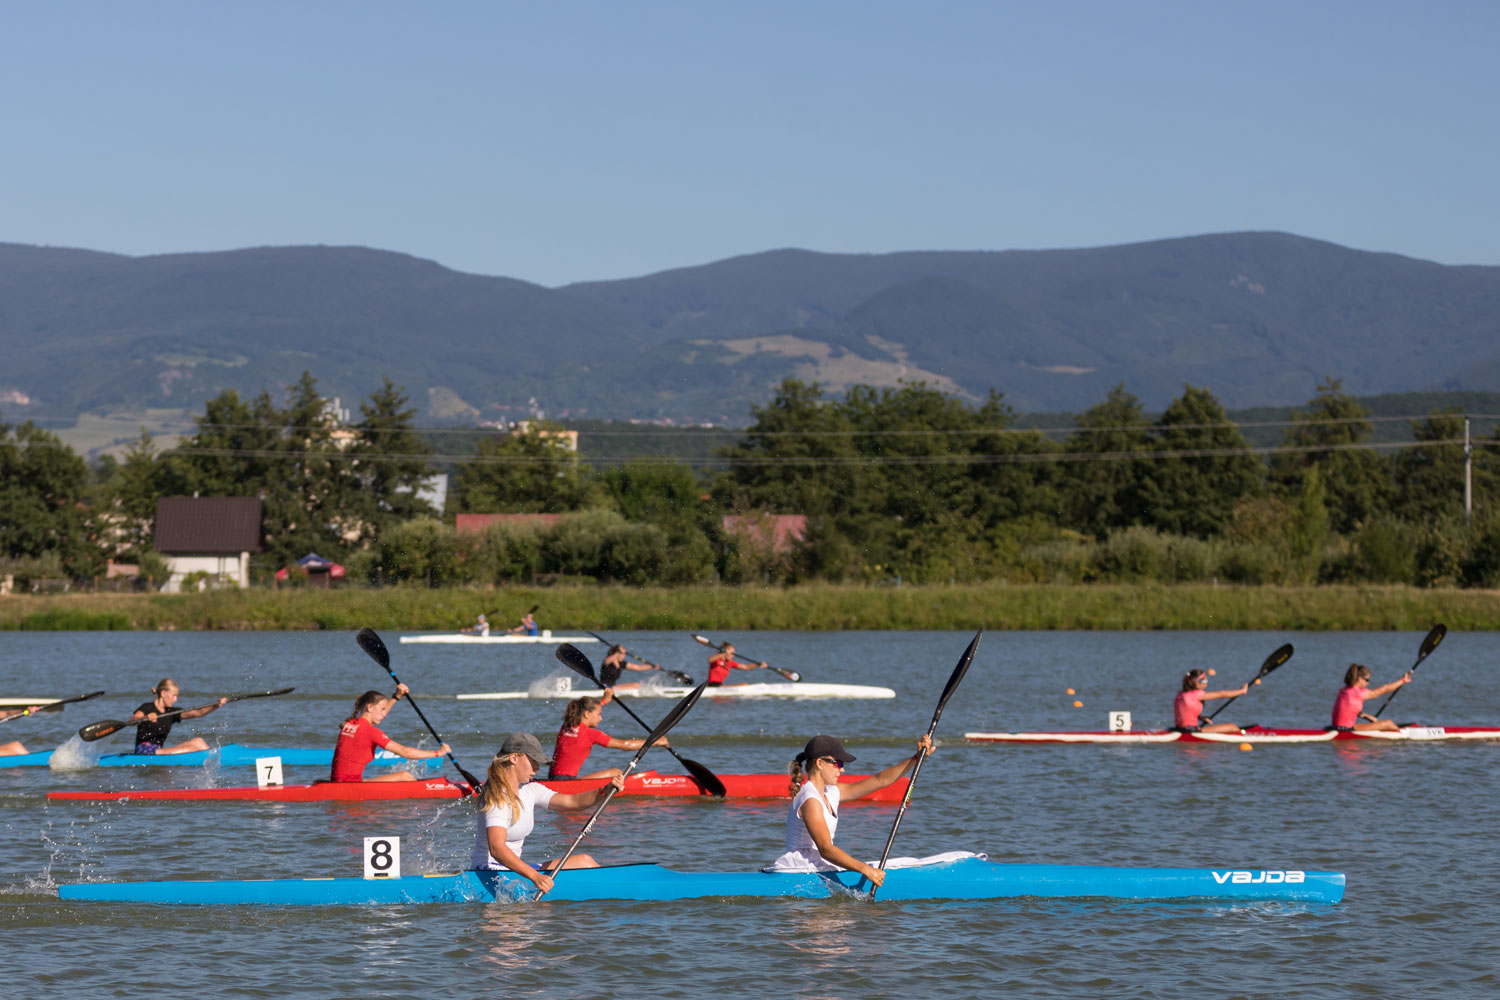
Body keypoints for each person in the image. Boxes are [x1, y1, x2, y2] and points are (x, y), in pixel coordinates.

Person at [471, 732, 626, 897]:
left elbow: (573, 802)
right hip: (489, 875)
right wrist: (535, 877)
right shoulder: (498, 797)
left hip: (512, 872)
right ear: (514, 758)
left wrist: (604, 790)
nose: (537, 768)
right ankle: (618, 895)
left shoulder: (531, 790)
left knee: (585, 861)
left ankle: (617, 894)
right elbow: (497, 848)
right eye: (533, 761)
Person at [768, 733, 933, 887]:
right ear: (820, 763)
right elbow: (825, 848)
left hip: (819, 865)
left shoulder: (830, 792)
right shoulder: (809, 800)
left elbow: (879, 780)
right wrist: (865, 869)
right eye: (838, 763)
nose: (842, 769)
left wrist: (916, 759)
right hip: (801, 869)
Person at [331, 684, 451, 782]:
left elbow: (376, 718)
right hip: (351, 786)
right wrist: (438, 752)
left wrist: (396, 697)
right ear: (370, 707)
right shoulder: (371, 732)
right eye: (382, 709)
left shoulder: (349, 724)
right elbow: (406, 753)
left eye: (385, 710)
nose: (384, 714)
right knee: (405, 776)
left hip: (340, 782)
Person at [548, 692, 668, 779]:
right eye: (599, 714)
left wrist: (605, 700)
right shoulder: (591, 734)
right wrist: (656, 741)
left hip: (553, 778)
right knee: (616, 773)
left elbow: (585, 709)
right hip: (567, 783)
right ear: (587, 714)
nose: (601, 718)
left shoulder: (567, 726)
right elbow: (626, 745)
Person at [128, 680, 228, 755]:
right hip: (144, 751)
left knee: (199, 742)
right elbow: (132, 721)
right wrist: (145, 717)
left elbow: (197, 713)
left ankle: (213, 758)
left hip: (159, 751)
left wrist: (216, 705)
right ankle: (212, 759)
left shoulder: (171, 712)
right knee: (195, 749)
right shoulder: (147, 707)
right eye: (174, 696)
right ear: (163, 693)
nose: (176, 699)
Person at [1331, 663, 1412, 732]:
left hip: (1335, 727)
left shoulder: (1343, 690)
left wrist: (1366, 716)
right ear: (1360, 679)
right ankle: (1405, 735)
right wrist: (1403, 680)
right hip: (1346, 730)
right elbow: (1384, 689)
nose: (1368, 683)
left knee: (1380, 724)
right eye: (1367, 680)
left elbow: (1348, 709)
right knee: (1388, 723)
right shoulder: (1359, 693)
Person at [1172, 669, 1252, 734]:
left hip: (1179, 729)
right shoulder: (1197, 694)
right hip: (1191, 731)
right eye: (1204, 682)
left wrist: (1200, 717)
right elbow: (1222, 694)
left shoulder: (1180, 694)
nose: (1206, 685)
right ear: (1195, 681)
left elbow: (1185, 710)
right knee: (1232, 727)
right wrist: (1242, 691)